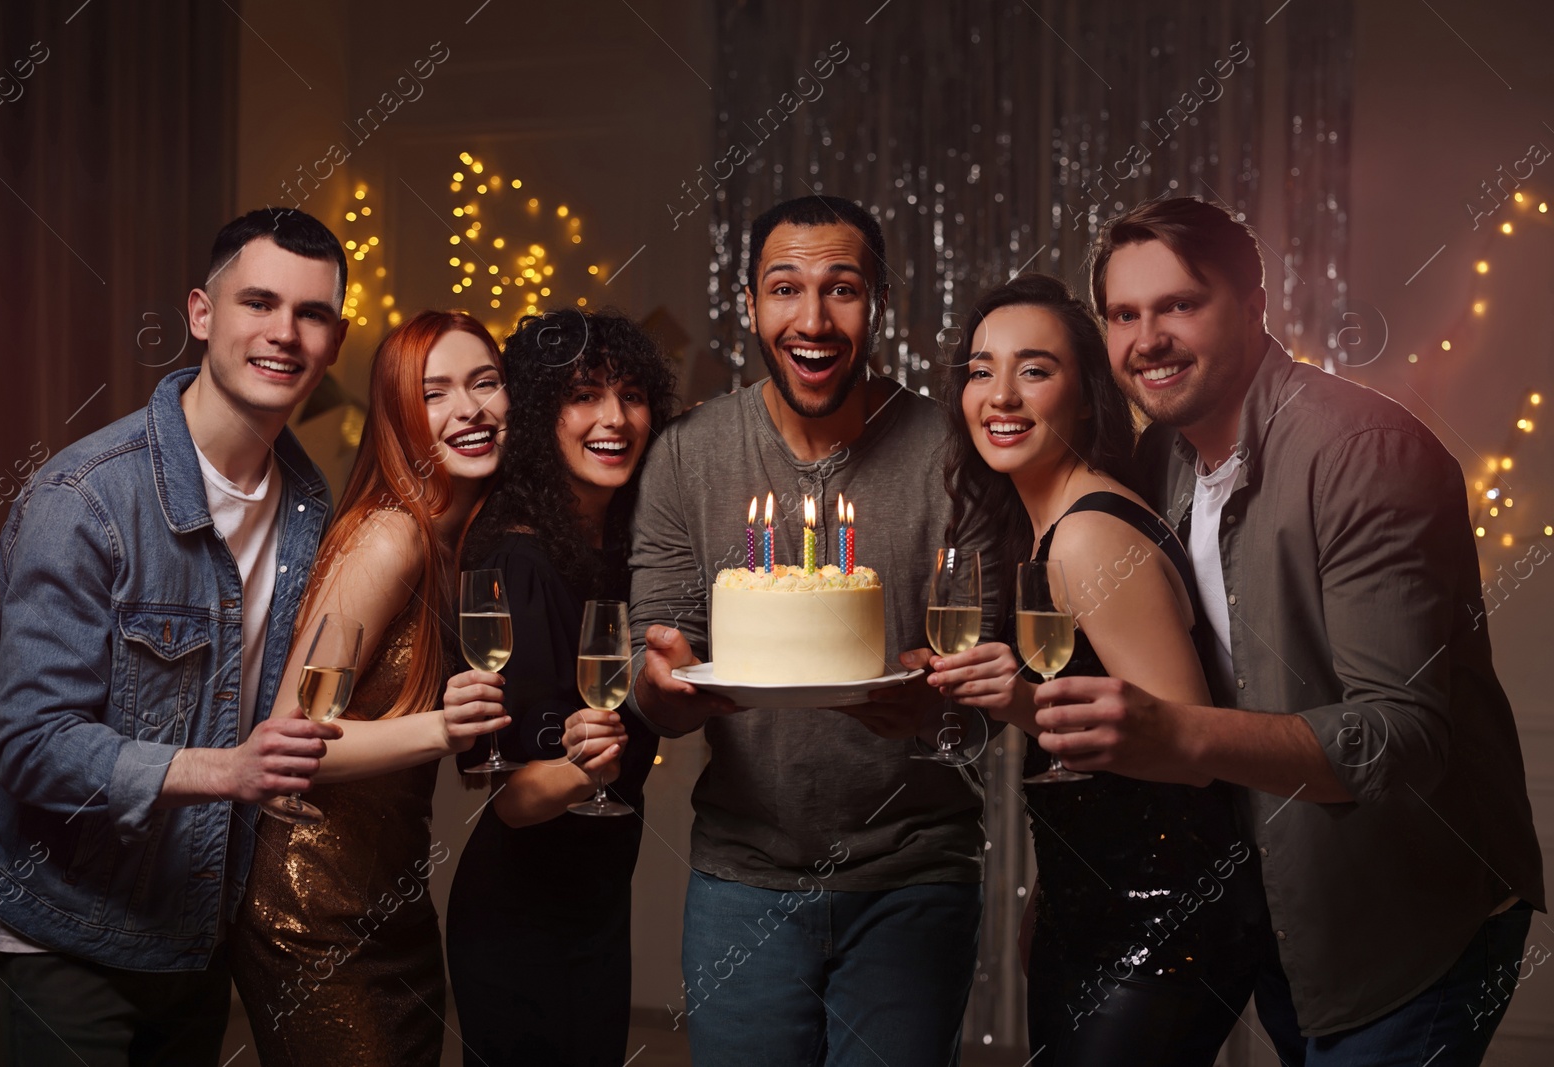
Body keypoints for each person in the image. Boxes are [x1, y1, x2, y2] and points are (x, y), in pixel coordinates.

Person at [1035, 195, 1543, 1063]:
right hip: (1284, 912)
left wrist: (1180, 736)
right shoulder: (1158, 461)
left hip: (1407, 927)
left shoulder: (1364, 451)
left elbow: (1402, 736)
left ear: (1256, 304)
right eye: (1124, 314)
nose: (1146, 338)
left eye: (1179, 305)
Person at [0, 208, 348, 1065]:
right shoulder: (86, 499)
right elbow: (28, 744)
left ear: (335, 342)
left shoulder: (312, 507)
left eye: (311, 313)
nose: (283, 332)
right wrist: (229, 770)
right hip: (67, 934)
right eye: (257, 301)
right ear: (202, 315)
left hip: (196, 935)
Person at [629, 195, 986, 1066]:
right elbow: (660, 666)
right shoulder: (686, 454)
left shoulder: (953, 453)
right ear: (748, 305)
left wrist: (934, 704)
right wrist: (666, 685)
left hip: (913, 870)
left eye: (844, 289)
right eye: (785, 288)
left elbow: (989, 704)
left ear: (881, 303)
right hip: (741, 873)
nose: (814, 318)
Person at [921, 273, 1264, 1064]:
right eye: (982, 370)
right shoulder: (1046, 529)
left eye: (1034, 370)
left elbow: (1186, 750)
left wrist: (1021, 700)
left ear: (1085, 398)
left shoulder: (1087, 536)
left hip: (1158, 924)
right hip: (1094, 905)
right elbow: (1106, 741)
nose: (1000, 395)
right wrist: (1057, 889)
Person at [228, 310, 513, 1065]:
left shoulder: (463, 543)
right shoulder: (391, 539)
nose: (472, 410)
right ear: (398, 418)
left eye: (486, 383)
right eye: (437, 393)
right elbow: (293, 745)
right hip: (310, 911)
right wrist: (441, 729)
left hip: (395, 903)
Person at [445, 307, 675, 1066]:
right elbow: (513, 796)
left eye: (632, 393)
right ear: (542, 412)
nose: (614, 417)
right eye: (584, 394)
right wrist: (590, 769)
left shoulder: (623, 547)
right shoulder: (521, 560)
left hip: (596, 903)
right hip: (522, 921)